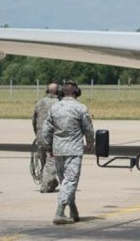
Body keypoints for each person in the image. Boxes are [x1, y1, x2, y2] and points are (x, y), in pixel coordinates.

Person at [42, 81, 94, 225]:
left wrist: (47, 146)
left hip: (58, 150)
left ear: (61, 93)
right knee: (70, 181)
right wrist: (90, 143)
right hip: (74, 150)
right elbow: (88, 128)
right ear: (77, 92)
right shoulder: (81, 108)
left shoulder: (54, 108)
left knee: (65, 180)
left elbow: (46, 130)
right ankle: (59, 211)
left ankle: (73, 209)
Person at [32, 82, 60, 192]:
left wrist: (37, 134)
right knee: (52, 162)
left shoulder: (39, 103)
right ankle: (46, 186)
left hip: (40, 137)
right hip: (53, 138)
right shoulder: (59, 104)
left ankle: (52, 182)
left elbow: (34, 121)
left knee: (44, 163)